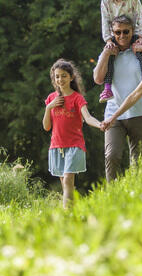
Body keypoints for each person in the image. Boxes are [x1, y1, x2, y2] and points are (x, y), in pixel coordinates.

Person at [93, 15, 142, 181]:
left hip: (140, 111)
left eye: (126, 31)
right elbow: (98, 79)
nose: (122, 36)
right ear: (112, 33)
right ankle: (112, 194)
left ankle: (138, 193)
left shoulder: (141, 49)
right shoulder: (109, 52)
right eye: (117, 32)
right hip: (114, 113)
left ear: (133, 31)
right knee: (112, 155)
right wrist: (106, 54)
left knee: (139, 160)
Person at [42, 59, 103, 208]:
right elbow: (46, 127)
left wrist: (100, 124)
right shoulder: (51, 98)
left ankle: (66, 215)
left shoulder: (77, 98)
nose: (60, 79)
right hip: (56, 146)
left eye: (63, 76)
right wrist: (49, 107)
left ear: (71, 77)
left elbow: (87, 118)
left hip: (75, 145)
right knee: (66, 184)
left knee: (68, 180)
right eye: (57, 76)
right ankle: (72, 213)